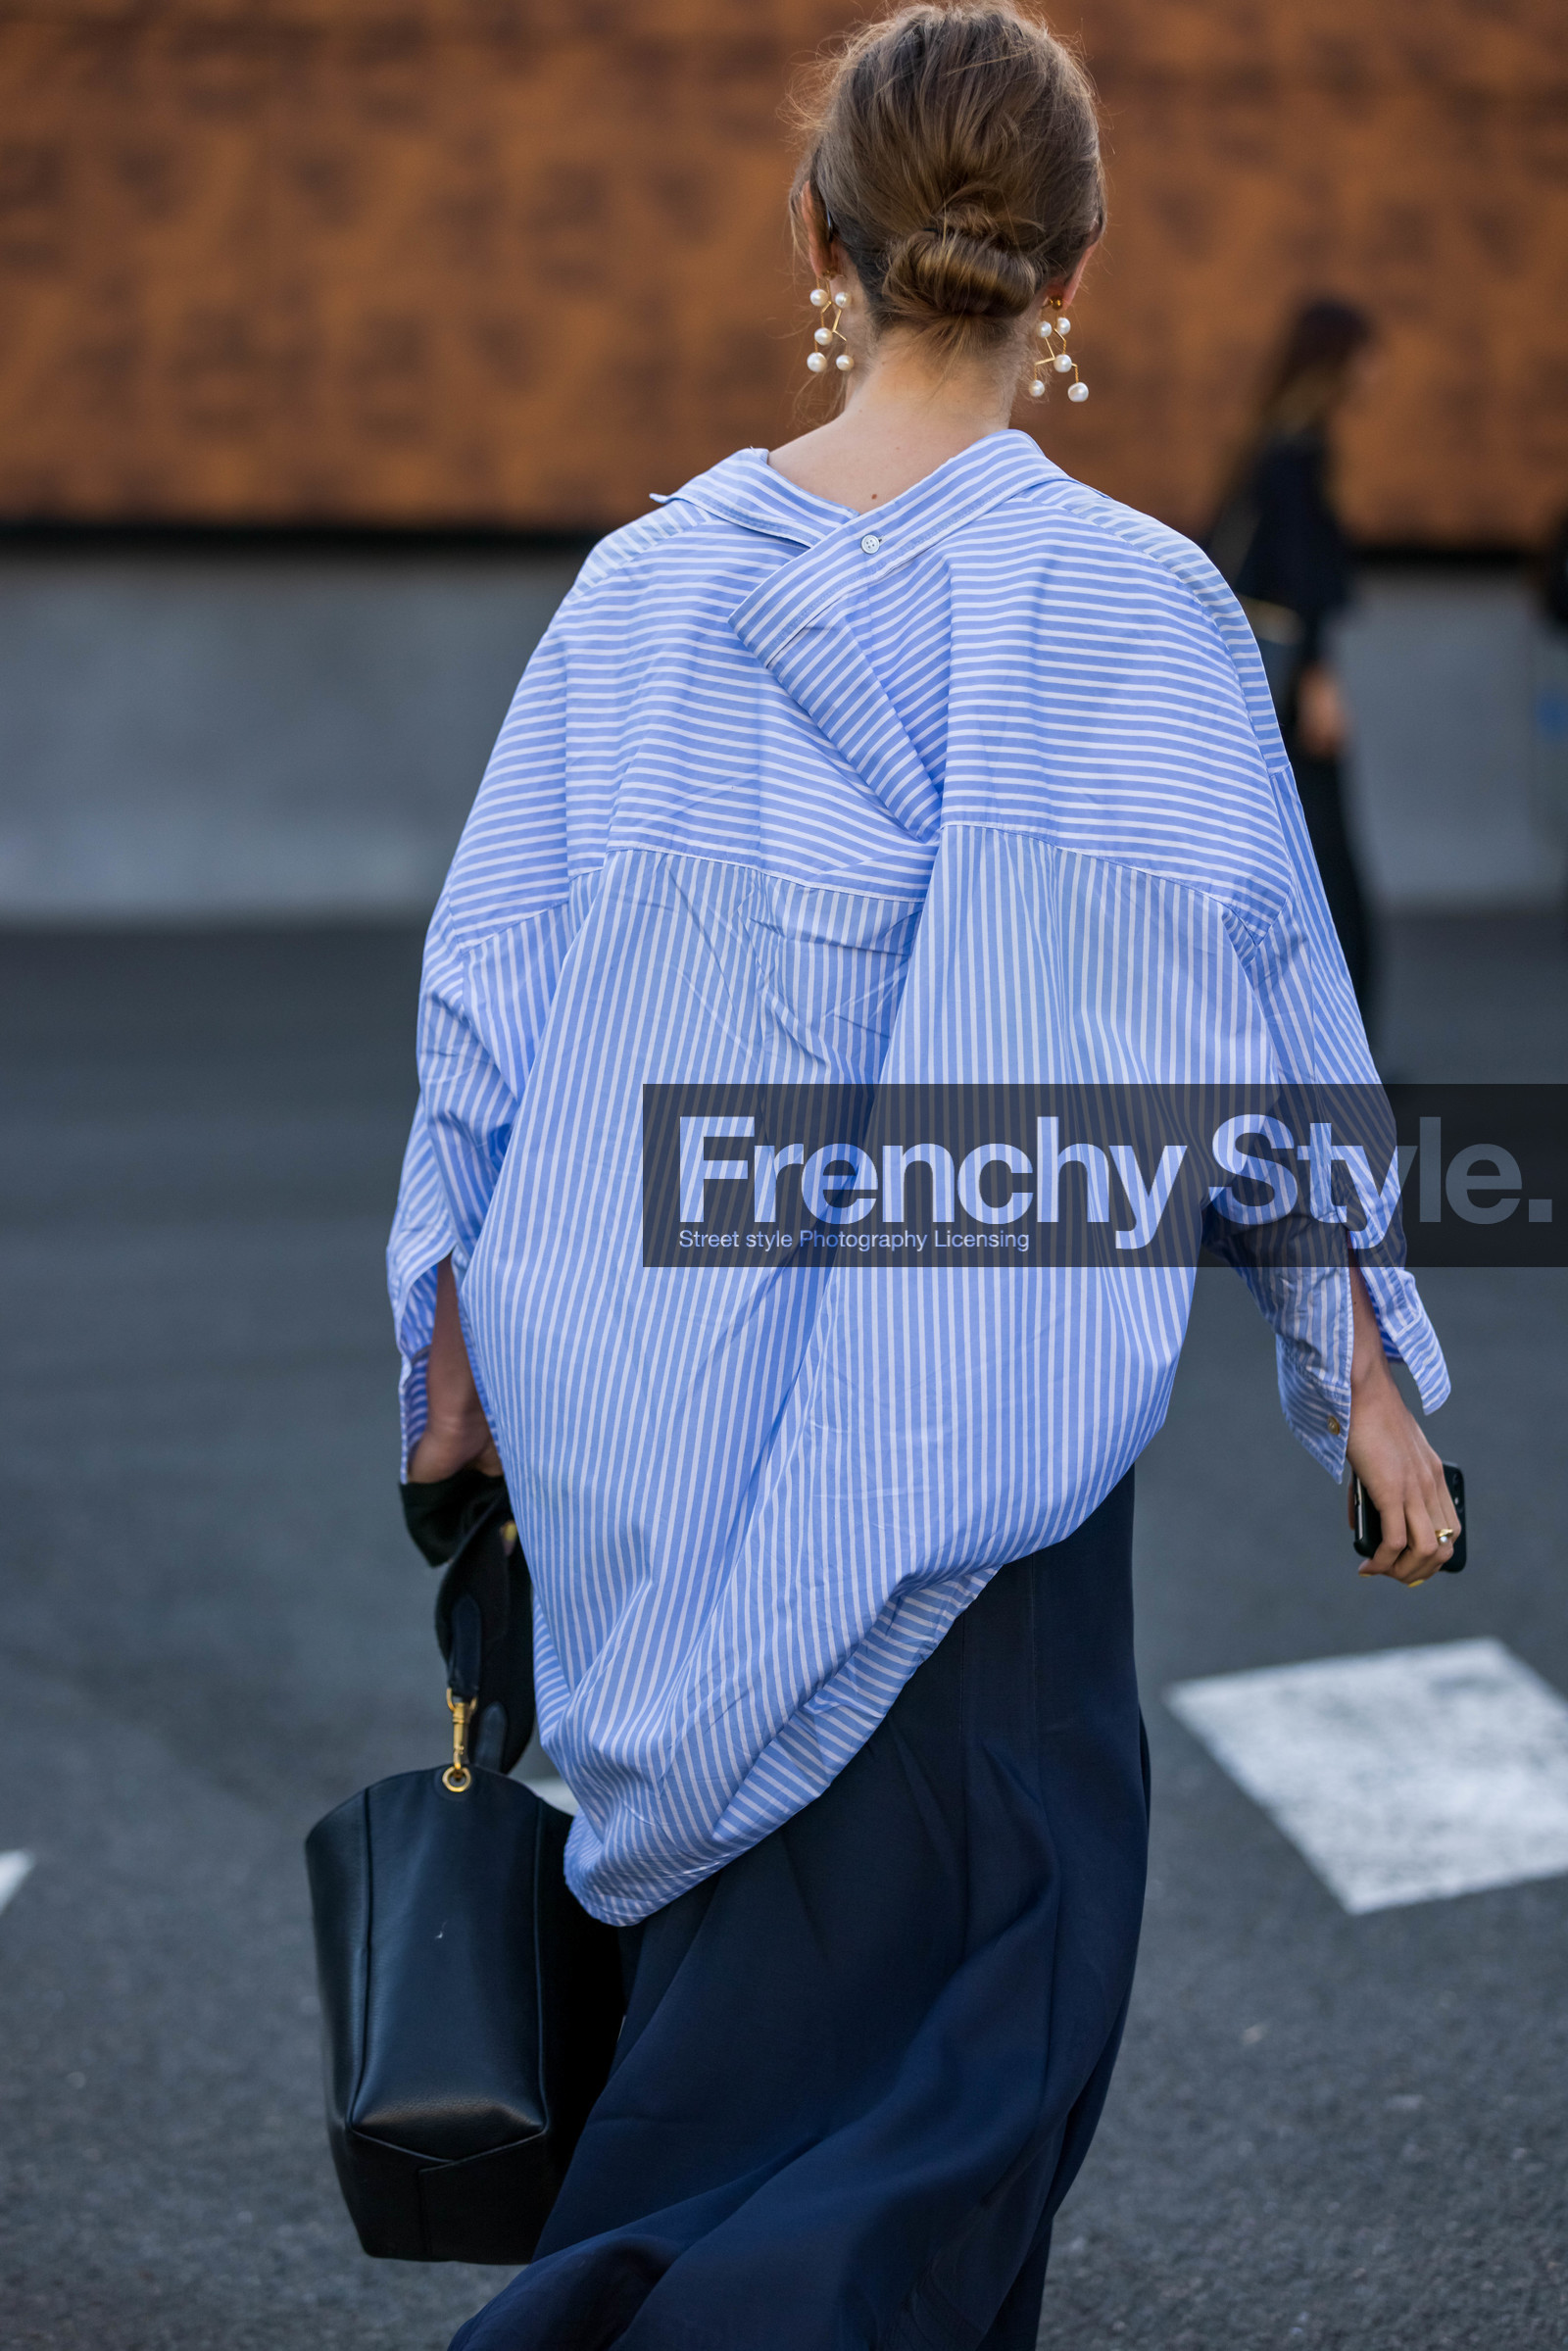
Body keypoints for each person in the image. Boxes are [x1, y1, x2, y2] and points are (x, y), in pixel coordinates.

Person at [390, 11, 1455, 2345]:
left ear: (820, 239)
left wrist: (443, 1358)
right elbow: (1258, 1018)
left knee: (713, 2098)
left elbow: (487, 1007)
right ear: (1072, 263)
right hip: (972, 1473)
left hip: (650, 1459)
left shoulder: (640, 593)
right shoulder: (1132, 615)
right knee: (920, 2151)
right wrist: (1355, 1374)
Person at [1206, 298, 1380, 1022]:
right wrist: (1317, 679)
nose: (1377, 373)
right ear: (1334, 361)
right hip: (1288, 688)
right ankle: (1342, 1036)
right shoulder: (1297, 456)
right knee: (1326, 865)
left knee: (1298, 857)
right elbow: (1298, 580)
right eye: (1366, 356)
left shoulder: (1268, 447)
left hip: (1266, 684)